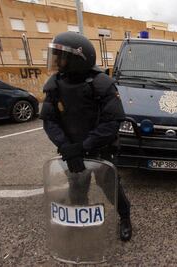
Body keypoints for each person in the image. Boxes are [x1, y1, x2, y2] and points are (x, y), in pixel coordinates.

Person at [39, 32, 132, 242]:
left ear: (78, 58)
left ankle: (125, 217)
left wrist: (84, 146)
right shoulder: (55, 84)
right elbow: (49, 120)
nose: (56, 60)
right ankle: (80, 222)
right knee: (77, 187)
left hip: (101, 149)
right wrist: (66, 146)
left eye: (61, 56)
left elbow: (112, 122)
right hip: (72, 151)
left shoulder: (102, 83)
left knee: (110, 187)